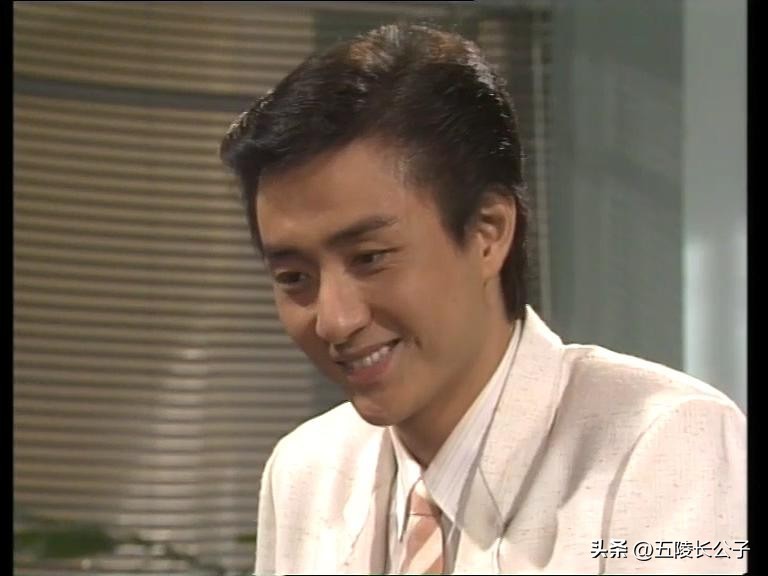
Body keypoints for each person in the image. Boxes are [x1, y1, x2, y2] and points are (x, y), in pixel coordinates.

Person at [219, 23, 746, 575]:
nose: (335, 320)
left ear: (487, 233)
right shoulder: (306, 472)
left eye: (370, 258)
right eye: (294, 277)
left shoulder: (665, 442)